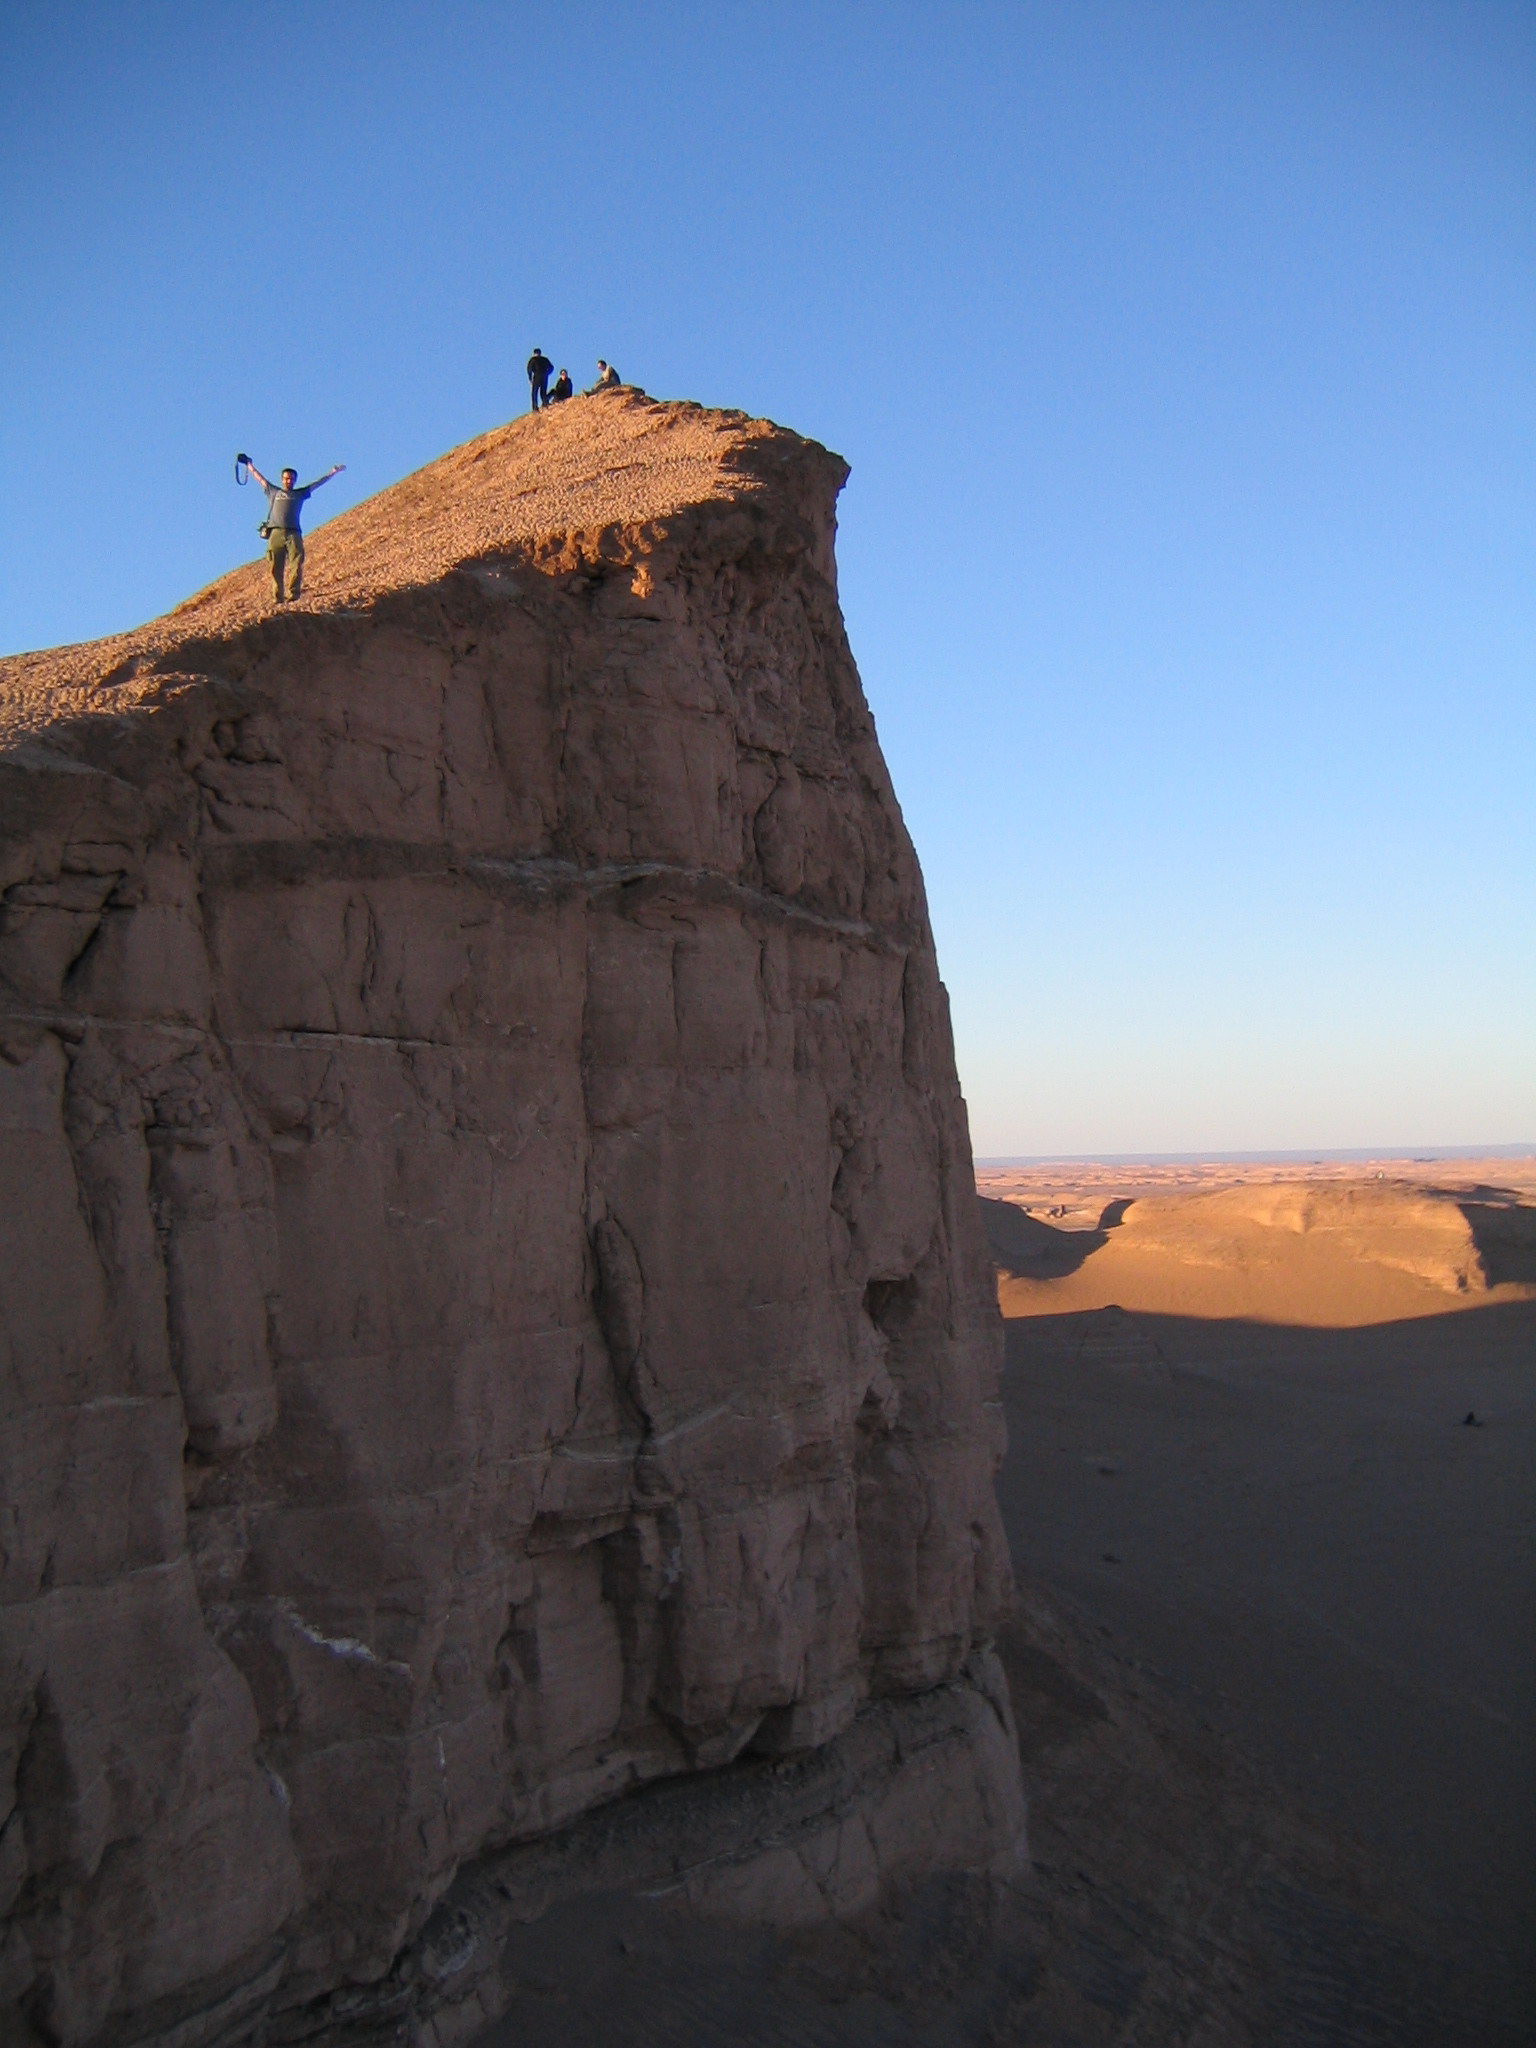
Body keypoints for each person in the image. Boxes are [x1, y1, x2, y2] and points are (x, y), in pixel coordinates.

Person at [244, 459, 345, 603]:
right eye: (286, 478)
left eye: (291, 478)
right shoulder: (274, 491)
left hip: (294, 533)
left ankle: (293, 594)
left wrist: (333, 473)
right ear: (282, 479)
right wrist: (249, 465)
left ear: (295, 480)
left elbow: (317, 484)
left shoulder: (300, 493)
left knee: (296, 563)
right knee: (275, 567)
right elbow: (259, 478)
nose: (288, 481)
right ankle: (278, 597)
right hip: (276, 533)